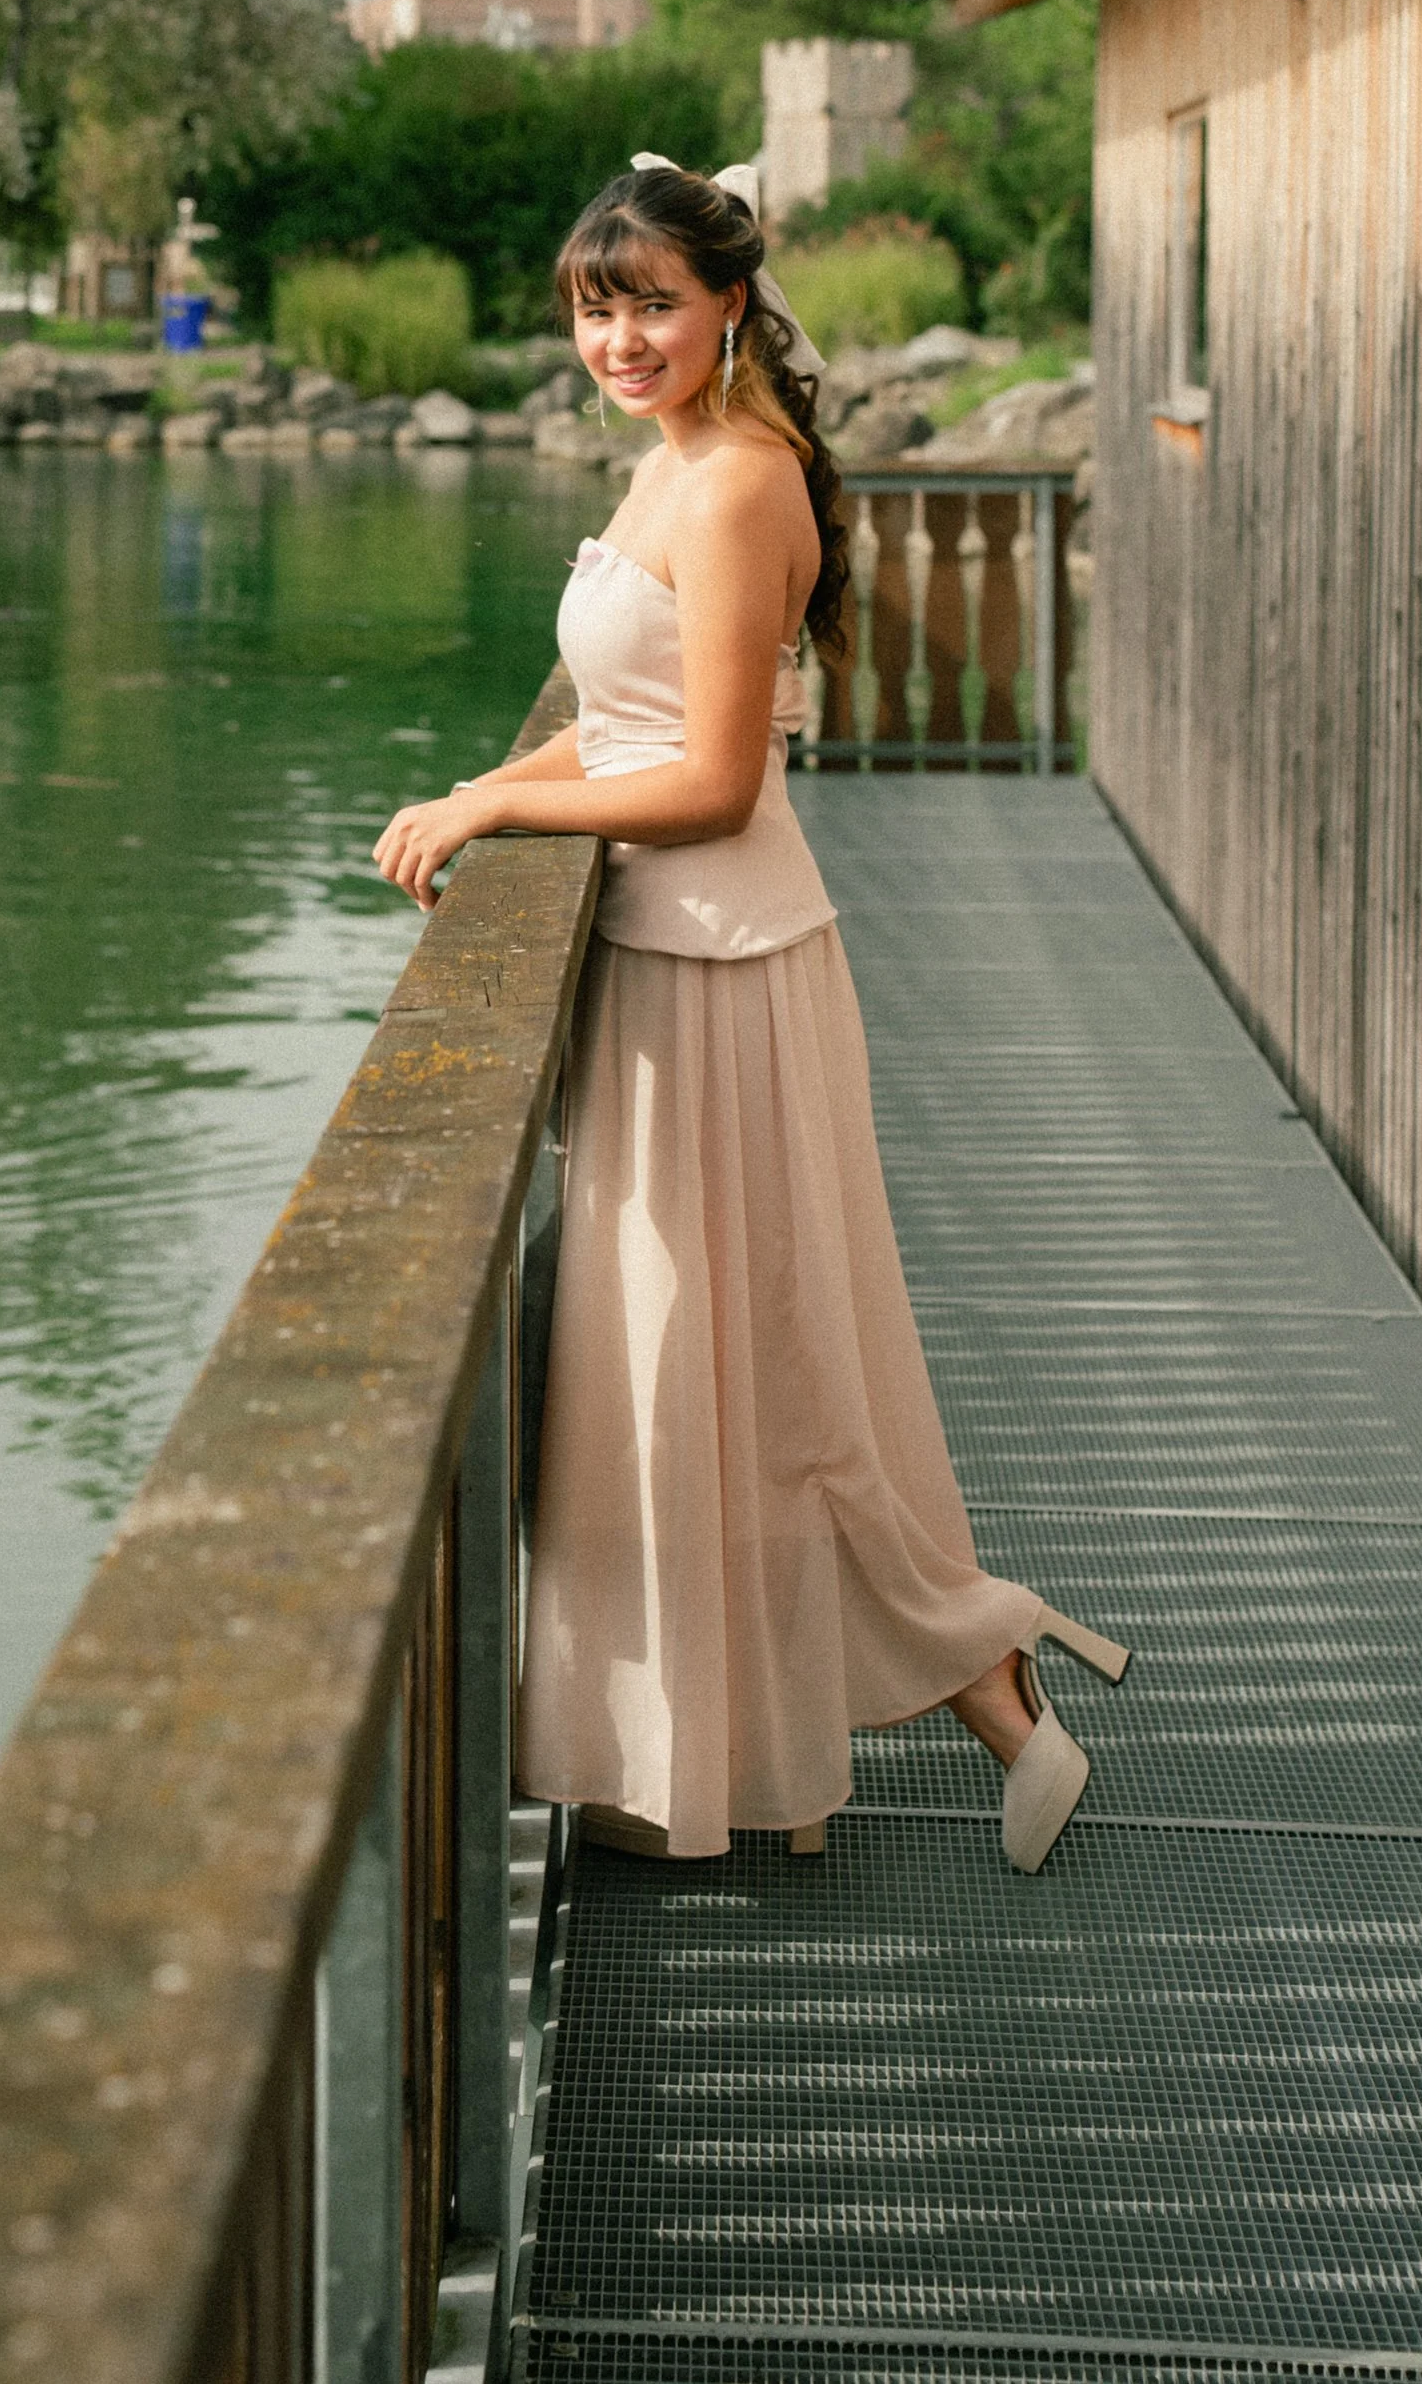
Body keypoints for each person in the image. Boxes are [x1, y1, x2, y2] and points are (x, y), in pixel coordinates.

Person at [374, 155, 1127, 1866]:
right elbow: (633, 713)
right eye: (596, 308)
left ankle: (978, 1671)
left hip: (719, 971)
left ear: (728, 303)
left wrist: (503, 808)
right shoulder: (677, 462)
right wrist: (492, 782)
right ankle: (788, 1730)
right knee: (697, 1367)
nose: (620, 338)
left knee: (755, 1365)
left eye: (652, 303)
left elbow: (711, 782)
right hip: (674, 966)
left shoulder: (733, 487)